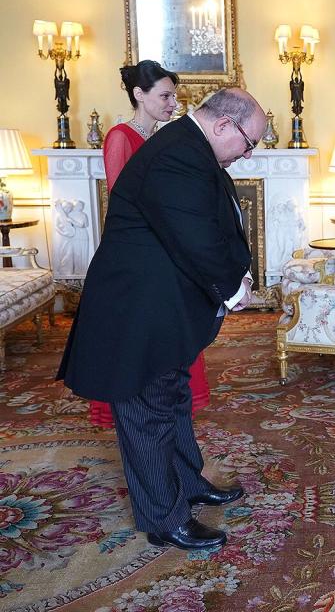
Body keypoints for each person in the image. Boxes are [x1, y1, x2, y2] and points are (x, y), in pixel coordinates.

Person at [57, 88, 266, 552]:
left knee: (171, 399)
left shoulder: (189, 148)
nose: (247, 155)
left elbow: (214, 224)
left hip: (159, 305)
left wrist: (241, 272)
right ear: (222, 126)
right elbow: (195, 237)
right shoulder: (179, 153)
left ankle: (187, 484)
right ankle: (163, 518)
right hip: (137, 310)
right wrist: (234, 290)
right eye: (249, 143)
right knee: (148, 411)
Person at [90, 60, 216, 429]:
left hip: (166, 250)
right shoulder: (119, 137)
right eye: (165, 96)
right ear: (138, 95)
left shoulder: (161, 137)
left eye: (173, 95)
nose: (172, 102)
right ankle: (143, 430)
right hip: (140, 255)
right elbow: (124, 204)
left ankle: (167, 420)